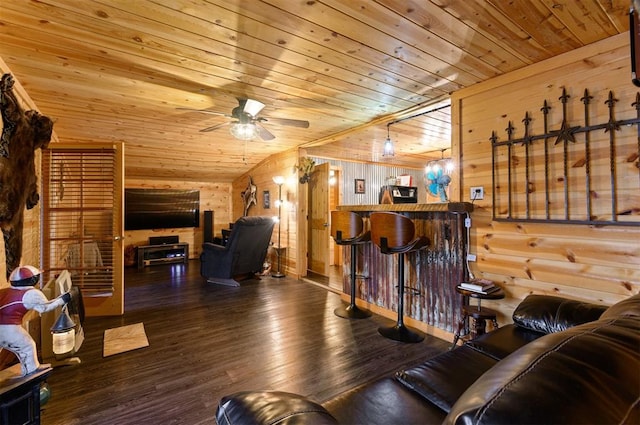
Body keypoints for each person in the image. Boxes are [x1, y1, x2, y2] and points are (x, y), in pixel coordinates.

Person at [0, 265, 70, 376]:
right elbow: (44, 307)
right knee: (27, 345)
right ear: (32, 279)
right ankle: (31, 373)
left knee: (19, 346)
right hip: (8, 327)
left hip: (4, 326)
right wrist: (62, 299)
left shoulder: (5, 291)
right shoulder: (31, 293)